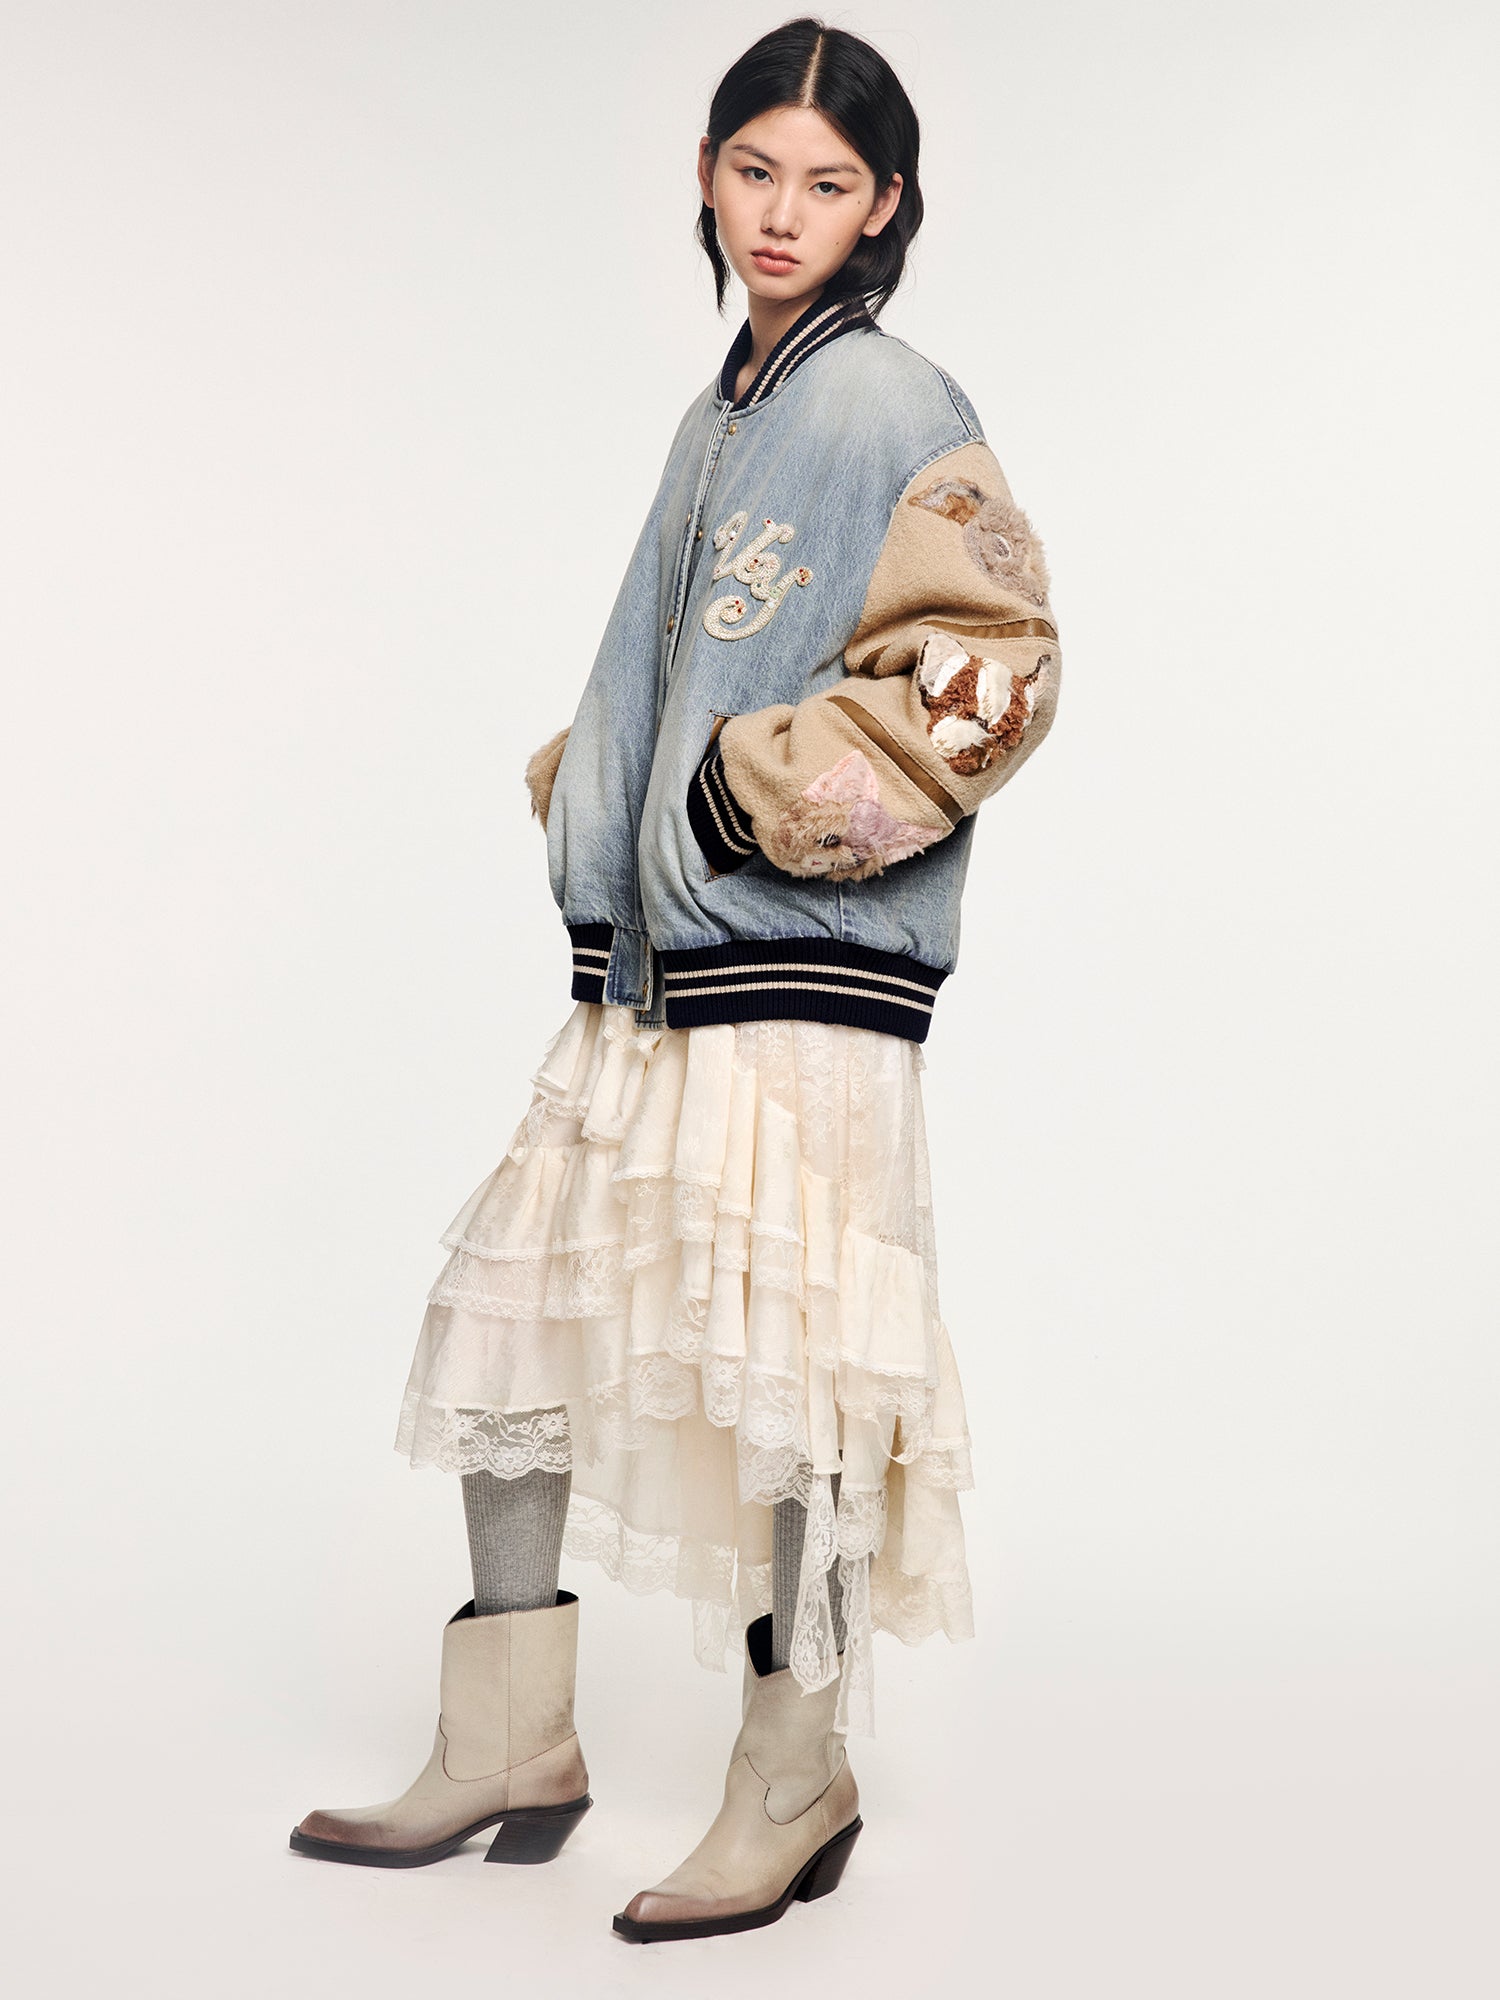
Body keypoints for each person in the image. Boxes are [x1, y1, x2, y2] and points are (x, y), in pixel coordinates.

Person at [290, 14, 1062, 1943]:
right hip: (651, 974)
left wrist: (733, 797)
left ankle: (794, 1779)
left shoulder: (893, 403)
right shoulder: (720, 403)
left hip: (800, 983)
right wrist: (602, 794)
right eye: (753, 169)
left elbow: (999, 671)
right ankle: (510, 1745)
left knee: (798, 1387)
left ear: (885, 205)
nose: (782, 211)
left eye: (827, 182)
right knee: (514, 1325)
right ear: (708, 178)